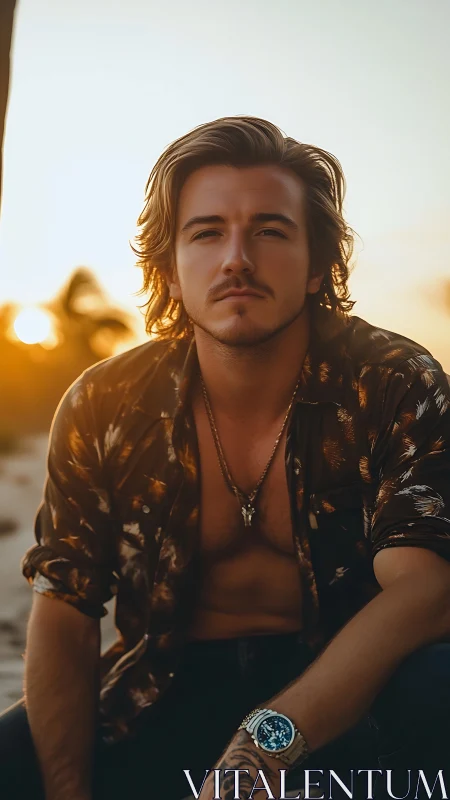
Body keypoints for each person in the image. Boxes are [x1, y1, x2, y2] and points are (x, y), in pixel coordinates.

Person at [1, 115, 449, 800]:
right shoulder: (107, 403)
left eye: (271, 231)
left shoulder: (388, 381)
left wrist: (262, 748)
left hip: (351, 699)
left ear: (318, 266)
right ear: (171, 272)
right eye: (207, 232)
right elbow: (66, 605)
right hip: (161, 692)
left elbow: (426, 590)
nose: (237, 258)